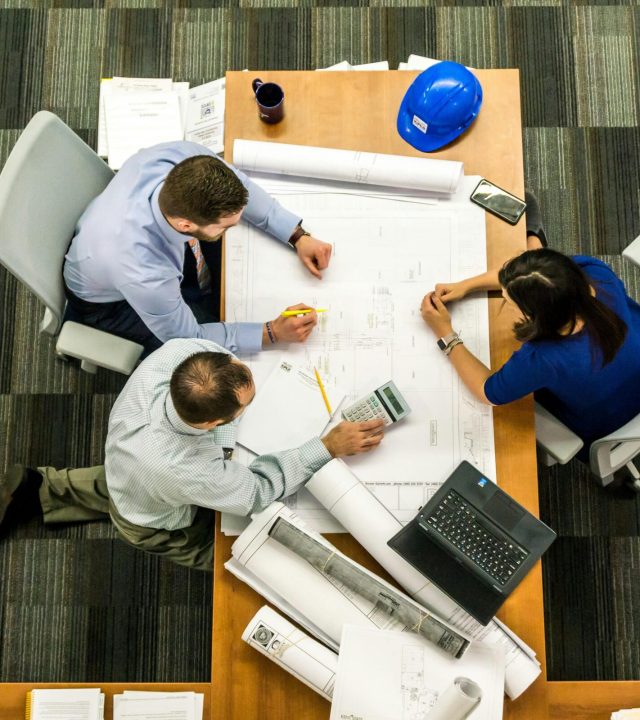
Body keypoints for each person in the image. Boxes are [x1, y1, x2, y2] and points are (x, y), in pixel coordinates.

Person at [0, 339, 384, 570]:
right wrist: (326, 446)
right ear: (209, 424)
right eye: (244, 409)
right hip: (154, 517)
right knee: (237, 554)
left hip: (127, 462)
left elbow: (221, 359)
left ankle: (38, 488)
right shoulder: (184, 469)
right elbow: (256, 491)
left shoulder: (182, 354)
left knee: (122, 484)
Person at [63, 141, 334, 354]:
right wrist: (271, 332)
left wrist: (296, 235)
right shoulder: (144, 272)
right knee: (207, 358)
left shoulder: (183, 158)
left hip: (115, 243)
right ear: (185, 225)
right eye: (226, 226)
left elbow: (242, 186)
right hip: (108, 304)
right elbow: (189, 338)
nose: (235, 227)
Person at [419, 205, 640, 461]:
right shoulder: (595, 274)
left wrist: (445, 333)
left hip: (606, 419)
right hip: (629, 363)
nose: (504, 299)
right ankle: (534, 236)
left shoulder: (544, 358)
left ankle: (534, 235)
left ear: (535, 317)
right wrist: (465, 286)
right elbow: (525, 278)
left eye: (509, 302)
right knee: (530, 206)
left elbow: (488, 392)